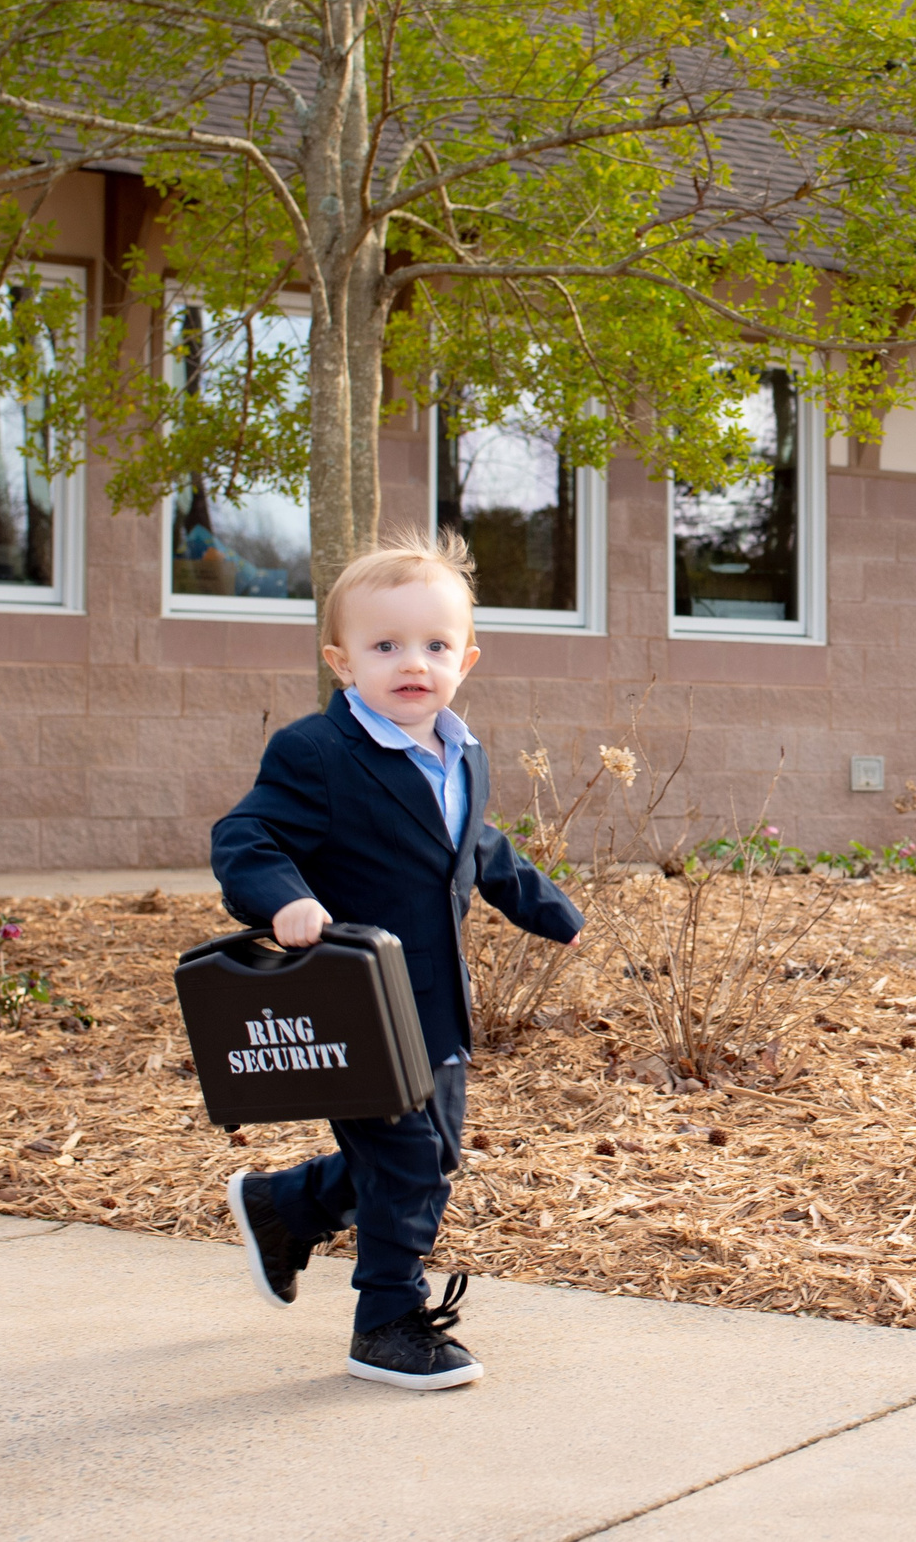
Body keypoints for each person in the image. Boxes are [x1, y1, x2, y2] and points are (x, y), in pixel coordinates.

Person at [211, 531, 583, 1390]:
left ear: (468, 658)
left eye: (434, 645)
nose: (411, 662)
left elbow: (472, 848)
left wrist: (546, 907)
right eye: (385, 646)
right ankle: (386, 1320)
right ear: (342, 660)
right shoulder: (318, 754)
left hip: (434, 1003)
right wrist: (283, 899)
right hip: (360, 1007)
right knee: (410, 1160)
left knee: (429, 1153)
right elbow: (247, 835)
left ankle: (285, 1206)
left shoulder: (462, 752)